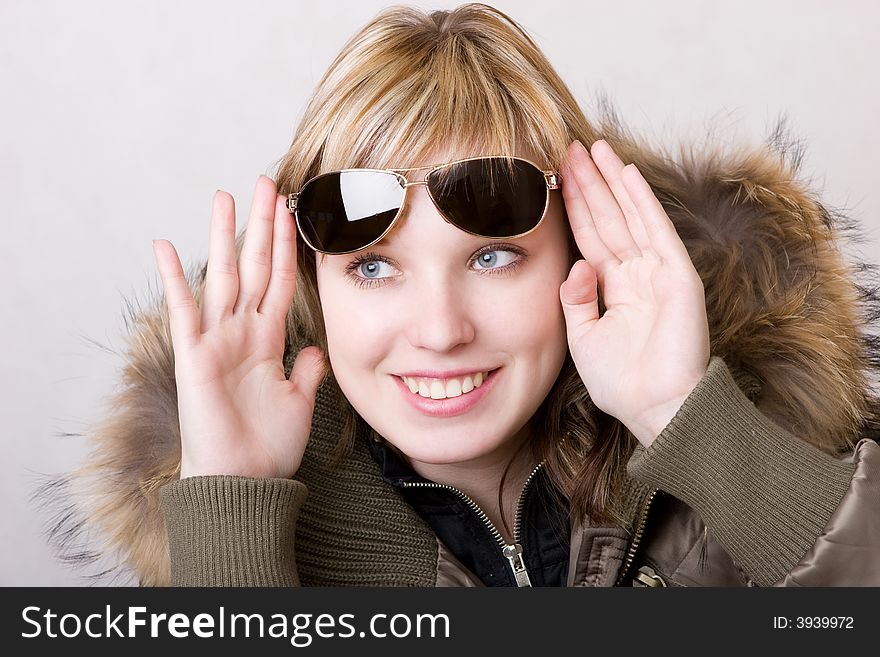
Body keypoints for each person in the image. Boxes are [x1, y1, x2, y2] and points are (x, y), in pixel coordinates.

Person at [50, 3, 879, 587]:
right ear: (315, 287)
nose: (440, 331)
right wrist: (228, 514)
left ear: (579, 250)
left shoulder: (744, 441)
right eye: (374, 266)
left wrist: (685, 415)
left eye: (492, 258)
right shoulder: (268, 533)